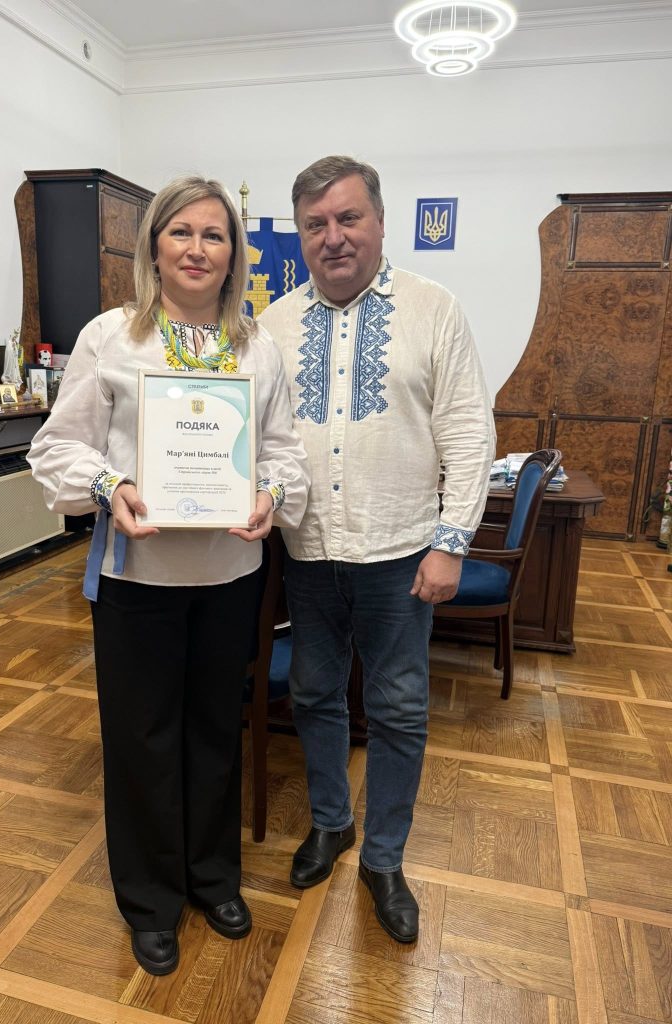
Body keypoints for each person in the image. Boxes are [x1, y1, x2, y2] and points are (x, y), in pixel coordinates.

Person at [28, 175, 308, 976]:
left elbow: (283, 454)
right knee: (142, 738)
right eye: (181, 232)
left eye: (213, 235)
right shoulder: (111, 338)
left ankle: (213, 878)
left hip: (230, 574)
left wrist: (270, 494)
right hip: (136, 577)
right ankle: (150, 901)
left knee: (216, 730)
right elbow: (59, 446)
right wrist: (108, 486)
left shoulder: (257, 348)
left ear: (234, 254)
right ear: (154, 246)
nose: (196, 248)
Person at [258, 155, 495, 944]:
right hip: (308, 551)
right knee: (315, 694)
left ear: (381, 222)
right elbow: (258, 437)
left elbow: (469, 432)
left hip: (401, 555)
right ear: (300, 236)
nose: (333, 237)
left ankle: (385, 859)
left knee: (397, 708)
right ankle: (332, 822)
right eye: (315, 224)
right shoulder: (272, 325)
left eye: (348, 218)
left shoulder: (434, 310)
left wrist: (452, 543)